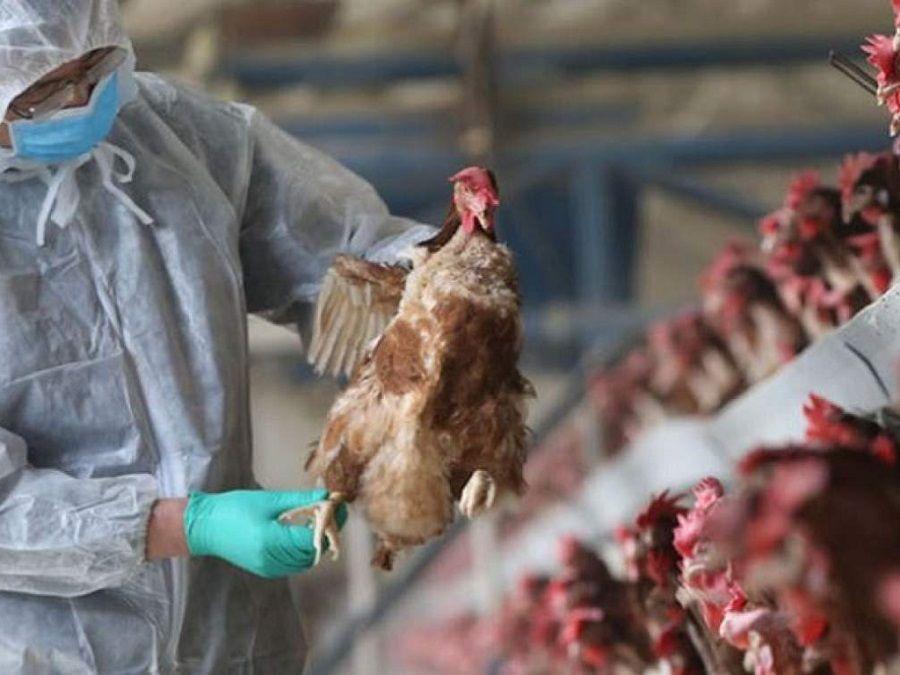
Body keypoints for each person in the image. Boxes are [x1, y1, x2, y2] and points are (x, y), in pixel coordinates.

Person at [0, 1, 432, 672]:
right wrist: (190, 525)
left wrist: (436, 294)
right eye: (44, 91)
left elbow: (343, 250)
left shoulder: (165, 133)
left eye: (95, 66)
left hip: (231, 637)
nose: (82, 101)